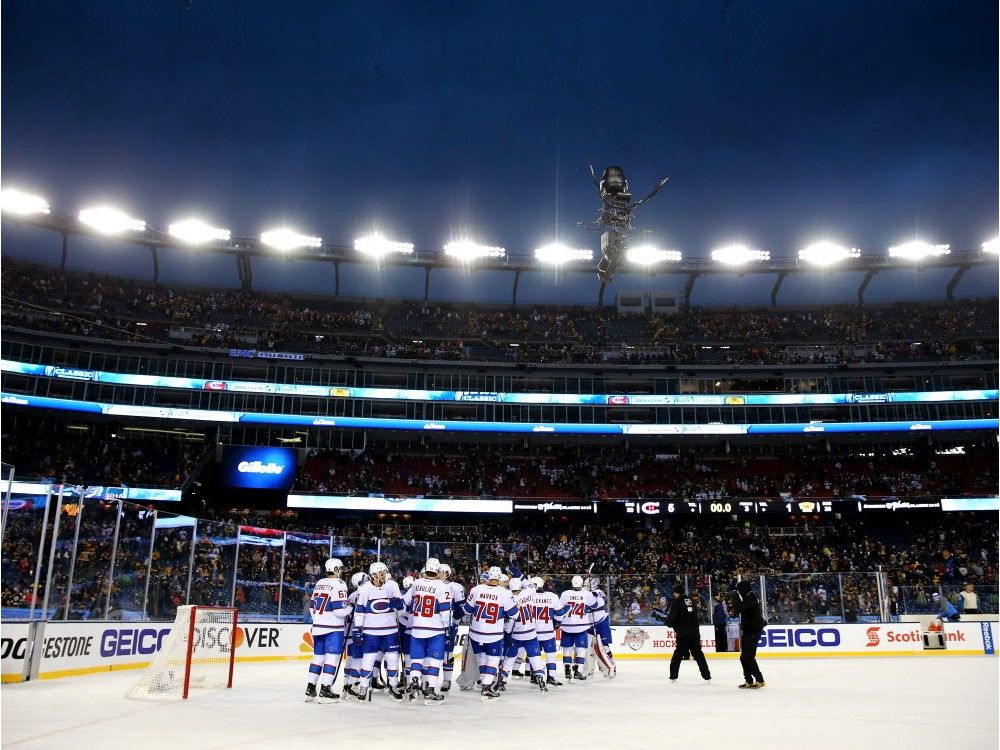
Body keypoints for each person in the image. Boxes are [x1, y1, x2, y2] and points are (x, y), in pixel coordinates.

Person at [401, 557, 453, 703]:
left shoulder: (416, 583)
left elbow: (404, 602)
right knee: (435, 661)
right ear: (437, 570)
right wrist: (447, 629)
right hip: (435, 630)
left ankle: (414, 684)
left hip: (417, 629)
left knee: (417, 659)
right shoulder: (443, 586)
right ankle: (429, 690)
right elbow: (445, 612)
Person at [464, 566, 518, 701]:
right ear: (499, 578)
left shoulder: (476, 589)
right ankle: (486, 687)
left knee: (481, 658)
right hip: (493, 634)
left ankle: (483, 680)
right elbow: (514, 614)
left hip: (476, 632)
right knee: (493, 661)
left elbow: (467, 609)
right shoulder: (505, 593)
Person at [353, 562, 404, 700]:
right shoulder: (364, 589)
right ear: (374, 575)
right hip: (371, 631)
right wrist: (358, 628)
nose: (385, 575)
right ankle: (363, 687)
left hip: (390, 629)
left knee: (393, 658)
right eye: (382, 573)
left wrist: (399, 605)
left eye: (385, 572)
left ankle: (393, 685)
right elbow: (359, 611)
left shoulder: (392, 585)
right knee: (368, 659)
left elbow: (402, 609)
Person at [304, 558, 352, 703]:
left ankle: (310, 689)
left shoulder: (320, 583)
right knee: (332, 659)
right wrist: (350, 608)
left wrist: (320, 619)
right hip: (333, 628)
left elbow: (312, 607)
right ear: (336, 569)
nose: (342, 571)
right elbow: (338, 611)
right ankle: (325, 689)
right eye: (341, 569)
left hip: (318, 626)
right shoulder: (340, 584)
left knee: (318, 658)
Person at [500, 578, 548, 691]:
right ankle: (540, 677)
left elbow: (511, 620)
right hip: (531, 631)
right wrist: (522, 577)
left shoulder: (511, 599)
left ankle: (502, 679)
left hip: (517, 634)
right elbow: (532, 585)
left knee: (510, 657)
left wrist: (506, 633)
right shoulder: (528, 592)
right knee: (535, 657)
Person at [666, 585, 711, 683]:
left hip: (683, 633)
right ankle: (707, 676)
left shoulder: (676, 602)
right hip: (695, 632)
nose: (674, 594)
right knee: (698, 654)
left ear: (677, 592)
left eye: (674, 593)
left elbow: (671, 619)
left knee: (678, 654)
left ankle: (673, 676)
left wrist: (669, 623)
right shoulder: (691, 601)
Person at [527, 576, 567, 685]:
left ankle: (535, 676)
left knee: (534, 655)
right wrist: (556, 623)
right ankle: (551, 677)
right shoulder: (552, 596)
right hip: (548, 632)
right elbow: (560, 614)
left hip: (532, 633)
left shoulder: (527, 596)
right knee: (551, 655)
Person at [559, 575, 600, 681]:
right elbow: (595, 605)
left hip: (567, 626)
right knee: (581, 650)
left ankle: (567, 671)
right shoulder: (587, 594)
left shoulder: (565, 594)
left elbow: (560, 608)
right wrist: (592, 596)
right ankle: (578, 671)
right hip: (581, 627)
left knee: (567, 649)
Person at [733, 580, 767, 689]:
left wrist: (736, 599)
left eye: (739, 590)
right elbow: (739, 610)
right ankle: (749, 681)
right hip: (749, 630)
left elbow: (738, 609)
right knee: (744, 658)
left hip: (753, 630)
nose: (739, 592)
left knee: (749, 657)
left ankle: (760, 680)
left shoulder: (751, 597)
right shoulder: (750, 597)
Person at [439, 564, 466, 692]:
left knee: (447, 653)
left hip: (448, 625)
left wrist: (455, 622)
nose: (438, 573)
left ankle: (447, 680)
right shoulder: (432, 585)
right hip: (432, 624)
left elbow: (461, 609)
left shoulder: (456, 587)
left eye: (440, 571)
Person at [586, 577, 617, 678]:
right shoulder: (585, 593)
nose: (585, 587)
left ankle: (611, 664)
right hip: (589, 623)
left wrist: (593, 596)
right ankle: (592, 668)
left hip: (601, 621)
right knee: (590, 647)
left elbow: (603, 601)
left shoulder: (598, 591)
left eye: (587, 585)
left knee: (604, 645)